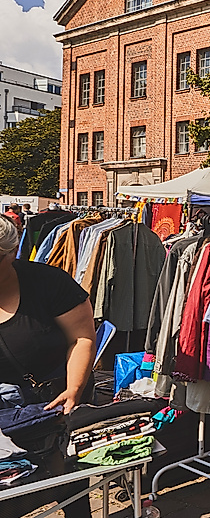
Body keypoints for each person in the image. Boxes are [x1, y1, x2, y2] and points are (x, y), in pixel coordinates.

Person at [0, 216, 96, 518]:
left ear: (11, 251)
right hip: (4, 405)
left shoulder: (47, 282)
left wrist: (73, 389)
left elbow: (81, 338)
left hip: (53, 398)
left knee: (69, 483)